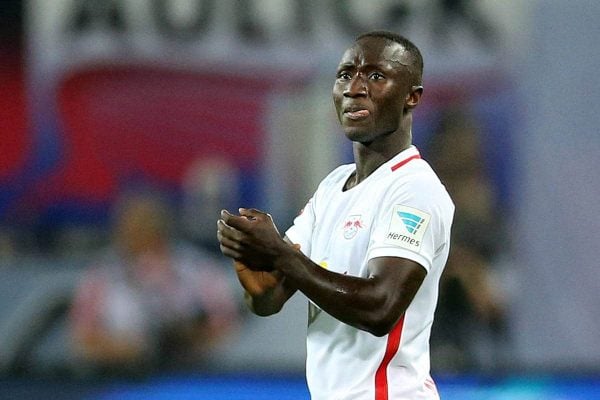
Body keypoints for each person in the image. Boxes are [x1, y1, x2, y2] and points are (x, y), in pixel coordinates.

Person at [217, 31, 454, 400]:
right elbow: (270, 297)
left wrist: (280, 254)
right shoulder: (334, 186)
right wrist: (253, 265)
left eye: (376, 76)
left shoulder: (414, 190)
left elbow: (380, 306)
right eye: (345, 74)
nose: (354, 88)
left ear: (412, 97)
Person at [69, 190, 239, 376]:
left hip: (193, 376)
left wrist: (190, 338)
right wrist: (123, 349)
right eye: (132, 227)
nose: (137, 234)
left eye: (146, 226)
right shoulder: (101, 275)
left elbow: (228, 327)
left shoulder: (199, 271)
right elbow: (82, 338)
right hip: (119, 378)